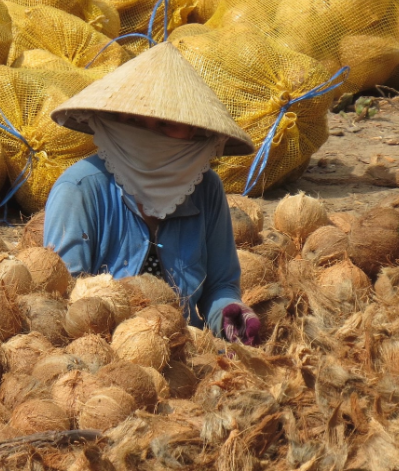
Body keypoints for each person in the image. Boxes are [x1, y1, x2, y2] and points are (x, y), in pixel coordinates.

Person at [43, 42, 261, 345]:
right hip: (102, 353)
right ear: (114, 122)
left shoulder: (207, 189)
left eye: (165, 124)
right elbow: (63, 299)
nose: (149, 136)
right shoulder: (79, 190)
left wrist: (230, 316)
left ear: (193, 132)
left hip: (188, 348)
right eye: (134, 121)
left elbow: (220, 285)